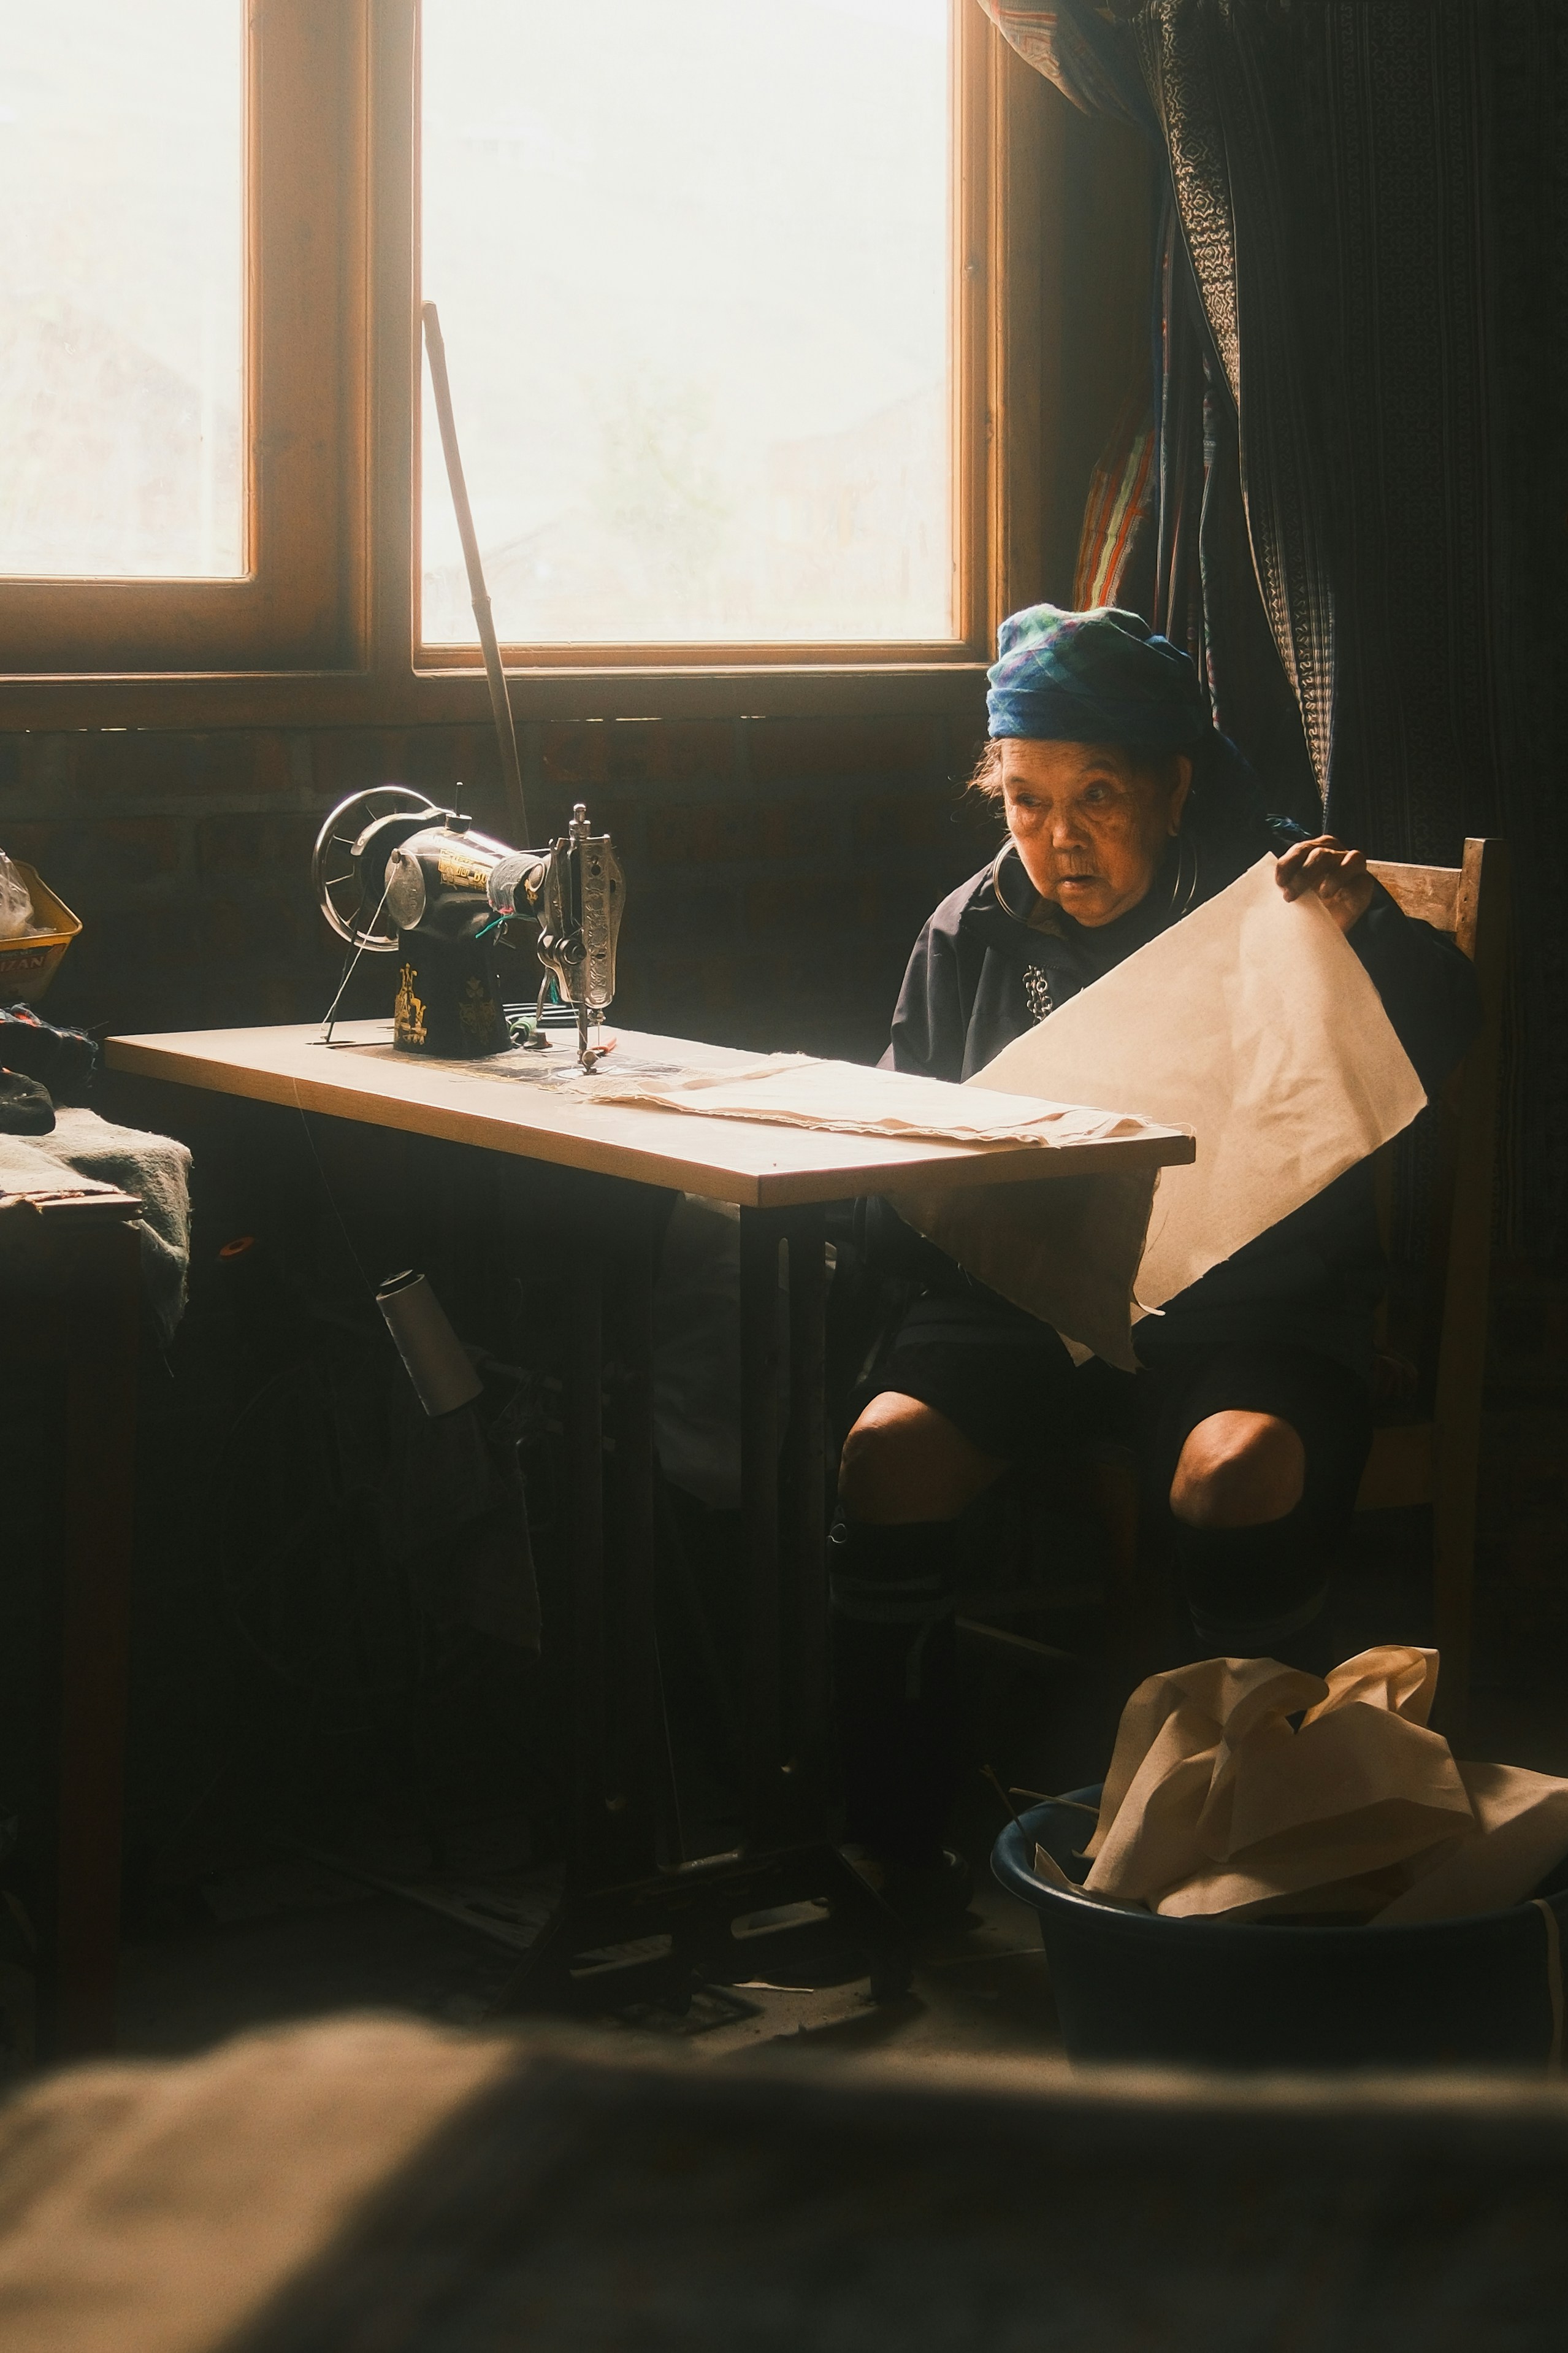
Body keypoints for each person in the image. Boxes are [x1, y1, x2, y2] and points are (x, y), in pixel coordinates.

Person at [830, 603, 1483, 1916]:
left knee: (1235, 1468)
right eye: (1024, 798)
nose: (1058, 835)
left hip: (1250, 1305)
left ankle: (1242, 1834)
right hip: (1023, 1303)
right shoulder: (974, 926)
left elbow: (1439, 1047)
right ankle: (896, 1836)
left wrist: (1364, 931)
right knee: (884, 1451)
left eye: (1099, 796)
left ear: (1176, 787)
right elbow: (906, 1117)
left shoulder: (1272, 905)